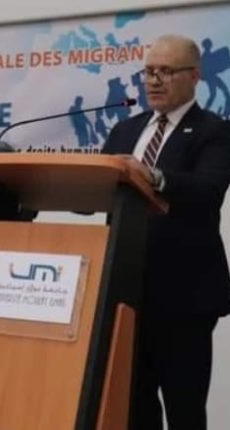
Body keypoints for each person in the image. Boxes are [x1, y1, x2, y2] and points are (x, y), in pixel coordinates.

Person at [102, 34, 230, 430]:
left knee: (184, 409)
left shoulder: (214, 131)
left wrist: (152, 176)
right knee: (134, 407)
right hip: (125, 292)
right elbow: (98, 188)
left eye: (166, 72)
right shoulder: (125, 131)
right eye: (149, 72)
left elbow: (208, 190)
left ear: (194, 76)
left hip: (184, 296)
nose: (154, 81)